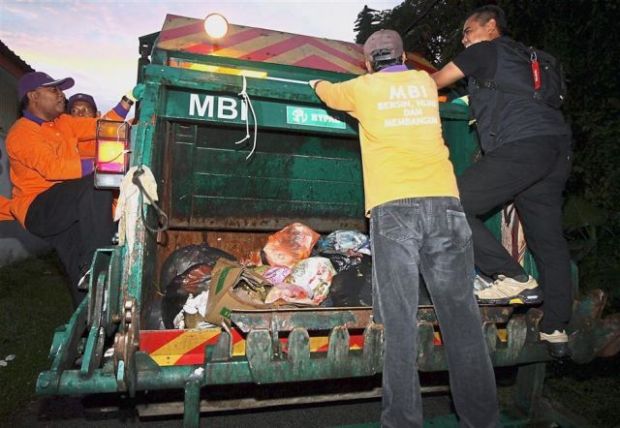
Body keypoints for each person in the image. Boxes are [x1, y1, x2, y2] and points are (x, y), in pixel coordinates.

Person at [310, 30, 499, 428]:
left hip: (395, 209)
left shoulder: (362, 88)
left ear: (367, 63)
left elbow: (327, 92)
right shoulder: (423, 84)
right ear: (404, 58)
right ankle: (481, 420)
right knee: (462, 319)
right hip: (446, 206)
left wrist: (315, 82)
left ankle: (402, 421)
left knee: (398, 322)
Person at [431, 5, 572, 358]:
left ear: (490, 26)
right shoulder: (526, 58)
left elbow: (431, 81)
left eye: (467, 31)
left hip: (522, 147)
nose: (463, 39)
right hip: (556, 148)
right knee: (548, 240)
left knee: (449, 203)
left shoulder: (484, 51)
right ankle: (556, 327)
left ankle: (511, 276)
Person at [4, 71, 140, 307]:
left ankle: (90, 323)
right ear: (34, 96)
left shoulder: (63, 123)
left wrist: (129, 100)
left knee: (82, 280)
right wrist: (103, 163)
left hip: (68, 209)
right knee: (95, 183)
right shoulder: (21, 133)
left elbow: (103, 126)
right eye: (54, 90)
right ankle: (100, 264)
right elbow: (53, 168)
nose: (61, 95)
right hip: (39, 209)